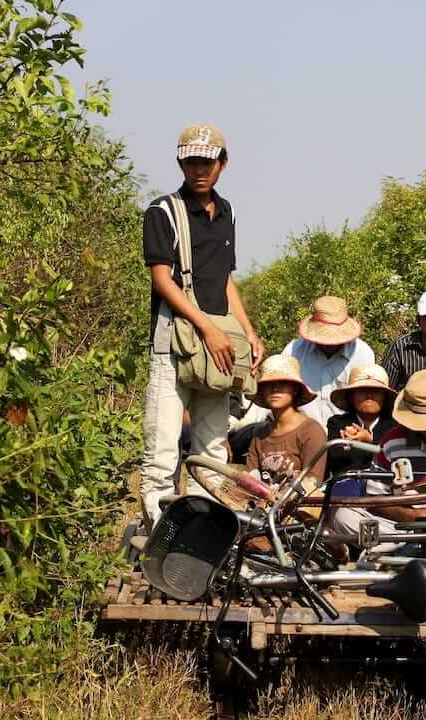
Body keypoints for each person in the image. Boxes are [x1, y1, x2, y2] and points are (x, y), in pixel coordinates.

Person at [139, 123, 264, 529]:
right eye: (191, 160)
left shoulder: (227, 212)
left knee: (211, 450)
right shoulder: (163, 212)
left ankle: (199, 544)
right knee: (161, 453)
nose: (199, 169)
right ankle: (162, 541)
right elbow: (162, 279)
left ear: (222, 164)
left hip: (218, 349)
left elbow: (226, 280)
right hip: (173, 345)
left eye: (207, 161)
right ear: (180, 161)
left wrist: (247, 331)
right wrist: (207, 328)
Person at [329, 369, 426, 550]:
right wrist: (409, 516)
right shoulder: (392, 442)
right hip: (398, 528)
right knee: (345, 517)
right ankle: (394, 547)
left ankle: (393, 551)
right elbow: (375, 500)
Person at [238, 296, 375, 430]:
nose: (329, 344)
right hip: (300, 432)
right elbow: (276, 389)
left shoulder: (362, 354)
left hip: (346, 434)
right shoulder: (294, 351)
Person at [245, 354, 328, 488]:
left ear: (295, 389)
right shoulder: (259, 434)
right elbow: (251, 477)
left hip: (299, 505)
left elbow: (312, 482)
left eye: (283, 383)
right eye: (268, 384)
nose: (275, 389)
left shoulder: (311, 431)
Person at [325, 365, 397, 479]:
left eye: (376, 391)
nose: (369, 395)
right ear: (351, 396)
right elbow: (335, 457)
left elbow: (397, 457)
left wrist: (370, 441)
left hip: (385, 489)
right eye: (362, 391)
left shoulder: (394, 426)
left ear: (385, 397)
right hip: (344, 489)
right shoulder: (337, 423)